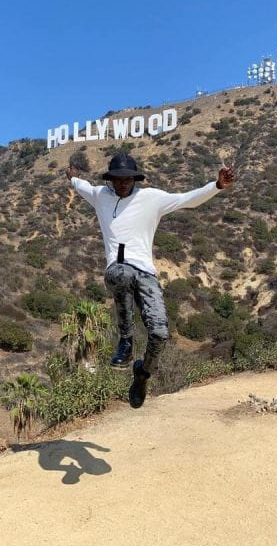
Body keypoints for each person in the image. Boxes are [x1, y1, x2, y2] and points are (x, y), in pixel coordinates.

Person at [66, 152, 235, 408]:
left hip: (146, 272)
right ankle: (126, 341)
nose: (122, 183)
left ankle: (143, 375)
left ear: (135, 179)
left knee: (159, 333)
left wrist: (217, 185)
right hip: (118, 267)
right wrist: (72, 177)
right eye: (117, 179)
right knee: (121, 274)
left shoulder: (150, 198)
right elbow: (82, 185)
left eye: (127, 179)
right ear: (110, 179)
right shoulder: (101, 195)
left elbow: (187, 199)